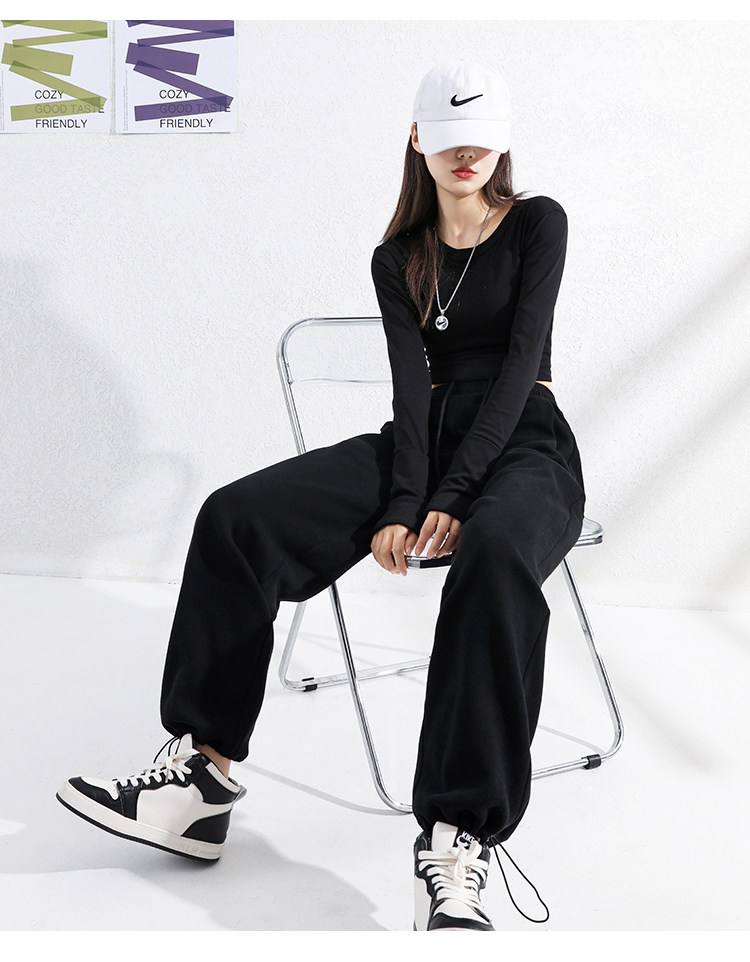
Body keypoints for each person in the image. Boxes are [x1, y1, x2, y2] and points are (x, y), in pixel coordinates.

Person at [56, 60, 586, 933]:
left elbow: (520, 362)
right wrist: (403, 501)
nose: (468, 155)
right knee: (236, 517)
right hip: (422, 444)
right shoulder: (398, 257)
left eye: (484, 138)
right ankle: (200, 782)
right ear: (417, 139)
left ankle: (456, 838)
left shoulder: (537, 223)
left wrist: (455, 494)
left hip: (525, 441)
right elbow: (410, 390)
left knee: (493, 556)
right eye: (450, 138)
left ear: (505, 142)